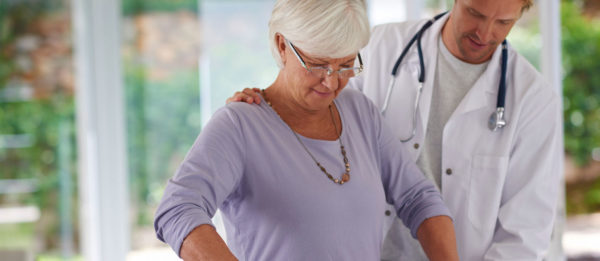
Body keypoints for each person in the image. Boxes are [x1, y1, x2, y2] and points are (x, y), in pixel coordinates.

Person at [228, 0, 563, 260]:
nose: (485, 32)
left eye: (504, 22)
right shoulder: (378, 47)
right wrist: (269, 107)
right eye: (475, 13)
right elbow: (316, 111)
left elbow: (525, 231)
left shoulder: (533, 100)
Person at [154, 0, 459, 260]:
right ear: (282, 45)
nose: (332, 82)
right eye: (318, 64)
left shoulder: (360, 112)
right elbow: (178, 209)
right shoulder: (239, 125)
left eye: (345, 65)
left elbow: (418, 197)